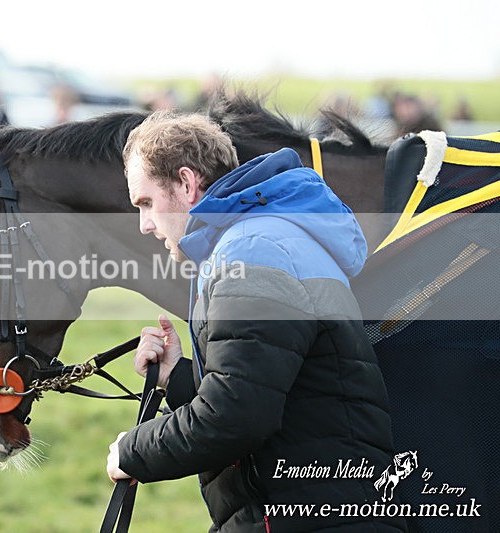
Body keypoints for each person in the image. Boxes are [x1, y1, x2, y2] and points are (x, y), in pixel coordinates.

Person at [106, 112, 404, 532]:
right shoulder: (257, 240)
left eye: (146, 203)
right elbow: (267, 385)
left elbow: (237, 416)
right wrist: (176, 377)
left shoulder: (252, 249)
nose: (144, 224)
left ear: (187, 184)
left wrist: (132, 451)